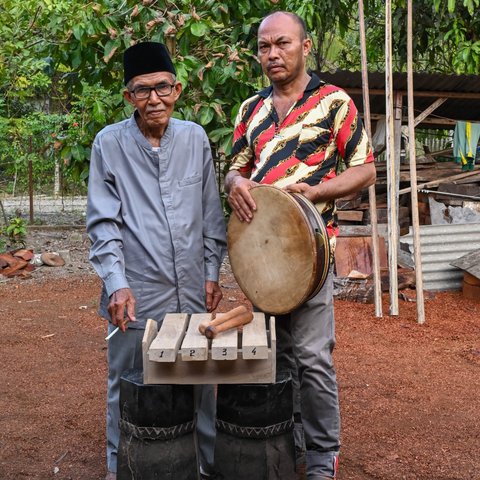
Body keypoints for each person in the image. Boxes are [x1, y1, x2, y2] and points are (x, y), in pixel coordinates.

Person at [224, 12, 376, 480]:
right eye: (264, 46)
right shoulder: (250, 109)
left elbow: (365, 168)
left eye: (283, 43)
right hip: (262, 257)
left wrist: (319, 191)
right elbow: (236, 166)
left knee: (311, 356)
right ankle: (288, 440)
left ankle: (323, 454)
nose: (273, 53)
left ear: (305, 47)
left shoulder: (334, 103)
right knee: (276, 355)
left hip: (312, 254)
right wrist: (233, 182)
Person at [87, 42, 227, 480]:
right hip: (137, 289)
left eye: (163, 88)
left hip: (191, 284)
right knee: (128, 380)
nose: (154, 100)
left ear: (178, 89)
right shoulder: (108, 144)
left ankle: (202, 465)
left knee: (200, 378)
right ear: (129, 97)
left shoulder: (195, 138)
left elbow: (210, 213)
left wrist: (210, 271)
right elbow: (103, 223)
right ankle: (121, 466)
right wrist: (116, 283)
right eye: (142, 91)